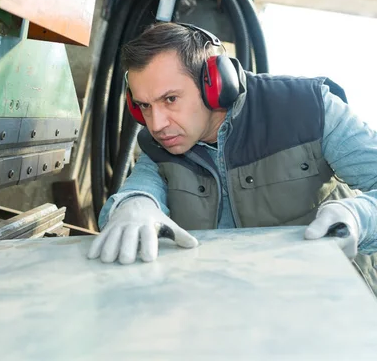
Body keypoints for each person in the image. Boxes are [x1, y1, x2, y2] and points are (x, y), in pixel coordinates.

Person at [87, 22, 377, 294]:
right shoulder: (162, 144)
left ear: (215, 83)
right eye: (144, 106)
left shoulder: (311, 110)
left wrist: (357, 217)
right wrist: (132, 204)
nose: (156, 123)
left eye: (170, 99)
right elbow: (142, 188)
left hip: (332, 299)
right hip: (225, 310)